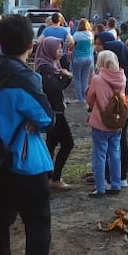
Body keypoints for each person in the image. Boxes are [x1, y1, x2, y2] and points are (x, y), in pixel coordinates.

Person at [0, 14, 70, 255]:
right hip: (26, 160)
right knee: (37, 222)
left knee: (0, 218)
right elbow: (46, 118)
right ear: (30, 46)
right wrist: (34, 120)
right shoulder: (24, 77)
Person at [95, 32, 128, 187]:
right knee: (120, 141)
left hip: (106, 113)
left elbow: (92, 95)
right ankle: (120, 177)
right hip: (124, 108)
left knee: (105, 145)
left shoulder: (105, 75)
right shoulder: (125, 75)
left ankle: (106, 177)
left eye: (100, 45)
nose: (98, 48)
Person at [34, 36, 74, 191]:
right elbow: (53, 89)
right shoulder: (45, 67)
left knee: (51, 143)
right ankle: (54, 177)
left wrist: (65, 76)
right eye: (57, 48)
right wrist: (67, 77)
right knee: (67, 143)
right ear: (48, 49)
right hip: (54, 111)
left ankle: (47, 176)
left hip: (55, 108)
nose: (60, 51)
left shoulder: (54, 64)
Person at [87, 49, 127, 196]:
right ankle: (116, 184)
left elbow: (90, 99)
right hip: (117, 123)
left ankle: (101, 187)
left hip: (100, 123)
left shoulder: (97, 79)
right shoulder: (122, 78)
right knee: (115, 152)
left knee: (99, 155)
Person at [70, 18, 95, 102]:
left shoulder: (76, 35)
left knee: (77, 78)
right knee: (85, 78)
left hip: (78, 58)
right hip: (88, 59)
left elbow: (71, 45)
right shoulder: (90, 35)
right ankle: (85, 97)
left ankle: (79, 98)